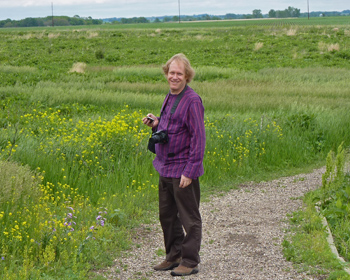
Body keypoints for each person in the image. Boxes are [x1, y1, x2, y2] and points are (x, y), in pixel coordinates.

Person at [142, 53, 206, 277]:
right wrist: (156, 125)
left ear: (187, 76)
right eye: (171, 72)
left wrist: (190, 171)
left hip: (182, 170)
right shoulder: (170, 96)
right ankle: (174, 256)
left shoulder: (193, 100)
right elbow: (171, 128)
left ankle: (189, 261)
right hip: (165, 165)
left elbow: (198, 138)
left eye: (179, 73)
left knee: (189, 218)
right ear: (166, 74)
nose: (175, 76)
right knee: (167, 215)